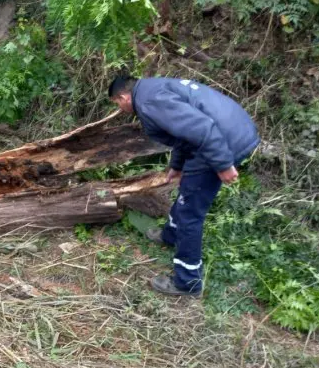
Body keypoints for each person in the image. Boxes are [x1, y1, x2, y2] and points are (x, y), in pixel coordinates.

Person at [109, 76, 260, 296]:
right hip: (229, 134)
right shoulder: (152, 88)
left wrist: (223, 163)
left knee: (190, 212)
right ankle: (170, 235)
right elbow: (182, 134)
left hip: (221, 143)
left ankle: (187, 282)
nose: (120, 109)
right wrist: (177, 165)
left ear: (123, 97)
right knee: (187, 191)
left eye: (117, 104)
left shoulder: (150, 102)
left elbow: (200, 127)